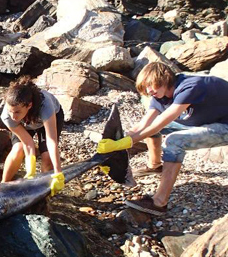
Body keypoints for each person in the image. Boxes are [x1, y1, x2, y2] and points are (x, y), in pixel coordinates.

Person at [97, 62, 228, 216]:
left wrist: (126, 142)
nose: (149, 91)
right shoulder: (159, 95)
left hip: (224, 125)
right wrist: (116, 143)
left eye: (151, 86)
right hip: (203, 121)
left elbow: (161, 123)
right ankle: (155, 165)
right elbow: (143, 125)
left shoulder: (190, 87)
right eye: (146, 88)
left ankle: (159, 203)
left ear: (164, 79)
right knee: (149, 129)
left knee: (174, 142)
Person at [0, 76, 65, 196]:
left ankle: (43, 190)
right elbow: (27, 142)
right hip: (25, 123)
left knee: (47, 157)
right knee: (18, 149)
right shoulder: (7, 116)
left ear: (29, 105)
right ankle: (2, 187)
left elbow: (51, 141)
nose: (13, 116)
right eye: (10, 111)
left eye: (17, 112)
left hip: (47, 120)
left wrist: (58, 172)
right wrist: (30, 169)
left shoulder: (45, 104)